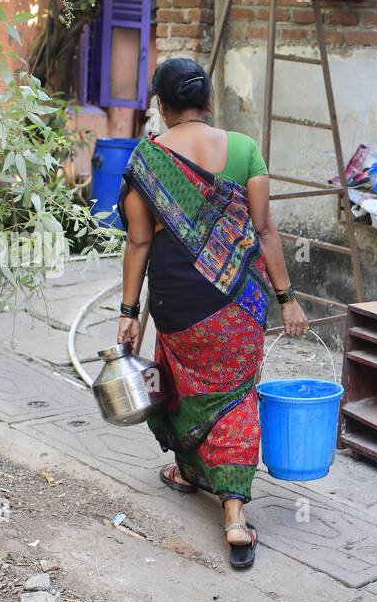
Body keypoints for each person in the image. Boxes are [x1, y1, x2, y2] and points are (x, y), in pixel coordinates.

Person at [116, 58, 310, 570]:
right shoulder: (244, 149)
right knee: (236, 392)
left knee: (181, 382)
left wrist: (128, 312)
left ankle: (187, 472)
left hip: (177, 302)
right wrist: (287, 297)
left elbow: (138, 242)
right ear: (207, 102)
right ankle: (235, 515)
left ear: (160, 106)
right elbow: (265, 231)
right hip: (241, 301)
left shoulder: (147, 159)